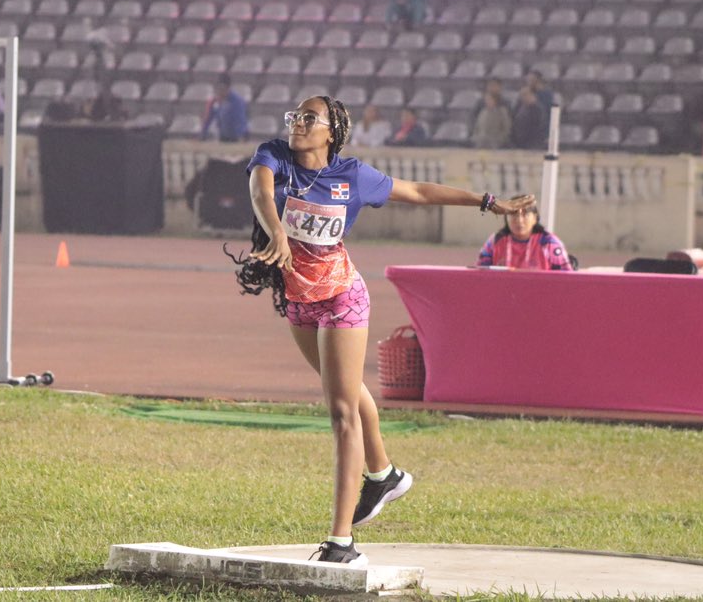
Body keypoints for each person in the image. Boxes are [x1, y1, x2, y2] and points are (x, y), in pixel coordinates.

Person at [225, 95, 510, 565]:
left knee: (341, 412)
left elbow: (417, 191)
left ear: (332, 131)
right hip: (299, 301)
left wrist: (484, 201)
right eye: (295, 116)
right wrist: (276, 230)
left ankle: (342, 544)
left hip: (342, 298)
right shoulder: (274, 155)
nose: (298, 123)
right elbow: (260, 188)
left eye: (309, 118)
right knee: (349, 391)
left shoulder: (354, 176)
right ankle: (385, 475)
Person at [476, 193, 573, 270]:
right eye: (513, 214)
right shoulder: (495, 241)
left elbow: (566, 278)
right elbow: (481, 275)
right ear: (506, 218)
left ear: (535, 218)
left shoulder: (549, 243)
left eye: (525, 214)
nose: (519, 220)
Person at [201, 74, 248, 142]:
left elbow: (240, 121)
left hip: (237, 136)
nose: (220, 92)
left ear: (228, 88)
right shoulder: (215, 101)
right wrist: (203, 134)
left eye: (223, 89)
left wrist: (240, 137)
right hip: (223, 135)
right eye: (219, 89)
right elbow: (209, 118)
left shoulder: (237, 101)